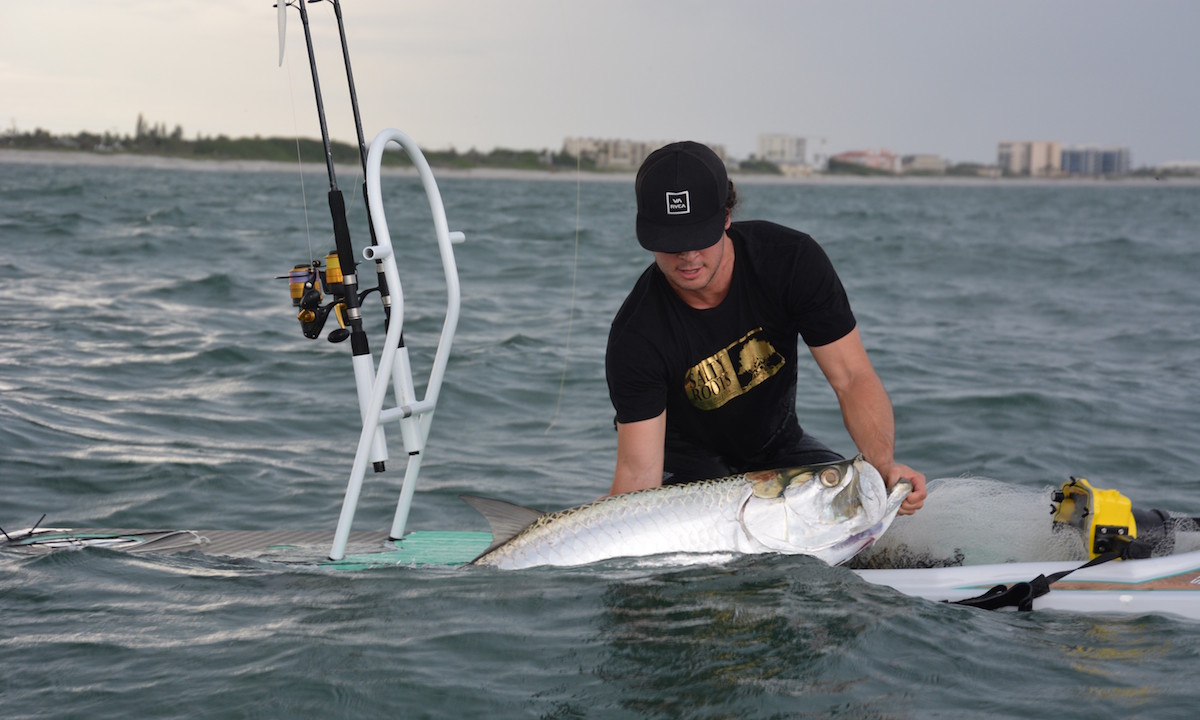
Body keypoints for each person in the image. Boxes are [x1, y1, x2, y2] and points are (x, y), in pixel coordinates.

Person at [605, 141, 926, 515]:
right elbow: (639, 473)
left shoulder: (791, 262)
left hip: (779, 450)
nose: (688, 255)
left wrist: (884, 467)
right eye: (672, 242)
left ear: (726, 217)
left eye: (699, 236)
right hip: (684, 474)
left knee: (866, 508)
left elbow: (852, 378)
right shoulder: (637, 335)